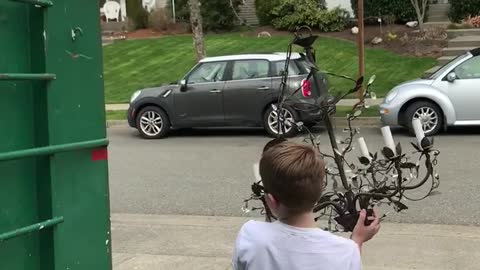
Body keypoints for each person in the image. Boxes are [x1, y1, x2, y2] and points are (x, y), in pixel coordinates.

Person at [232, 141, 381, 270]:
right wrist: (358, 240)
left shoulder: (251, 235)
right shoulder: (346, 251)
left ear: (271, 200)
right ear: (320, 190)